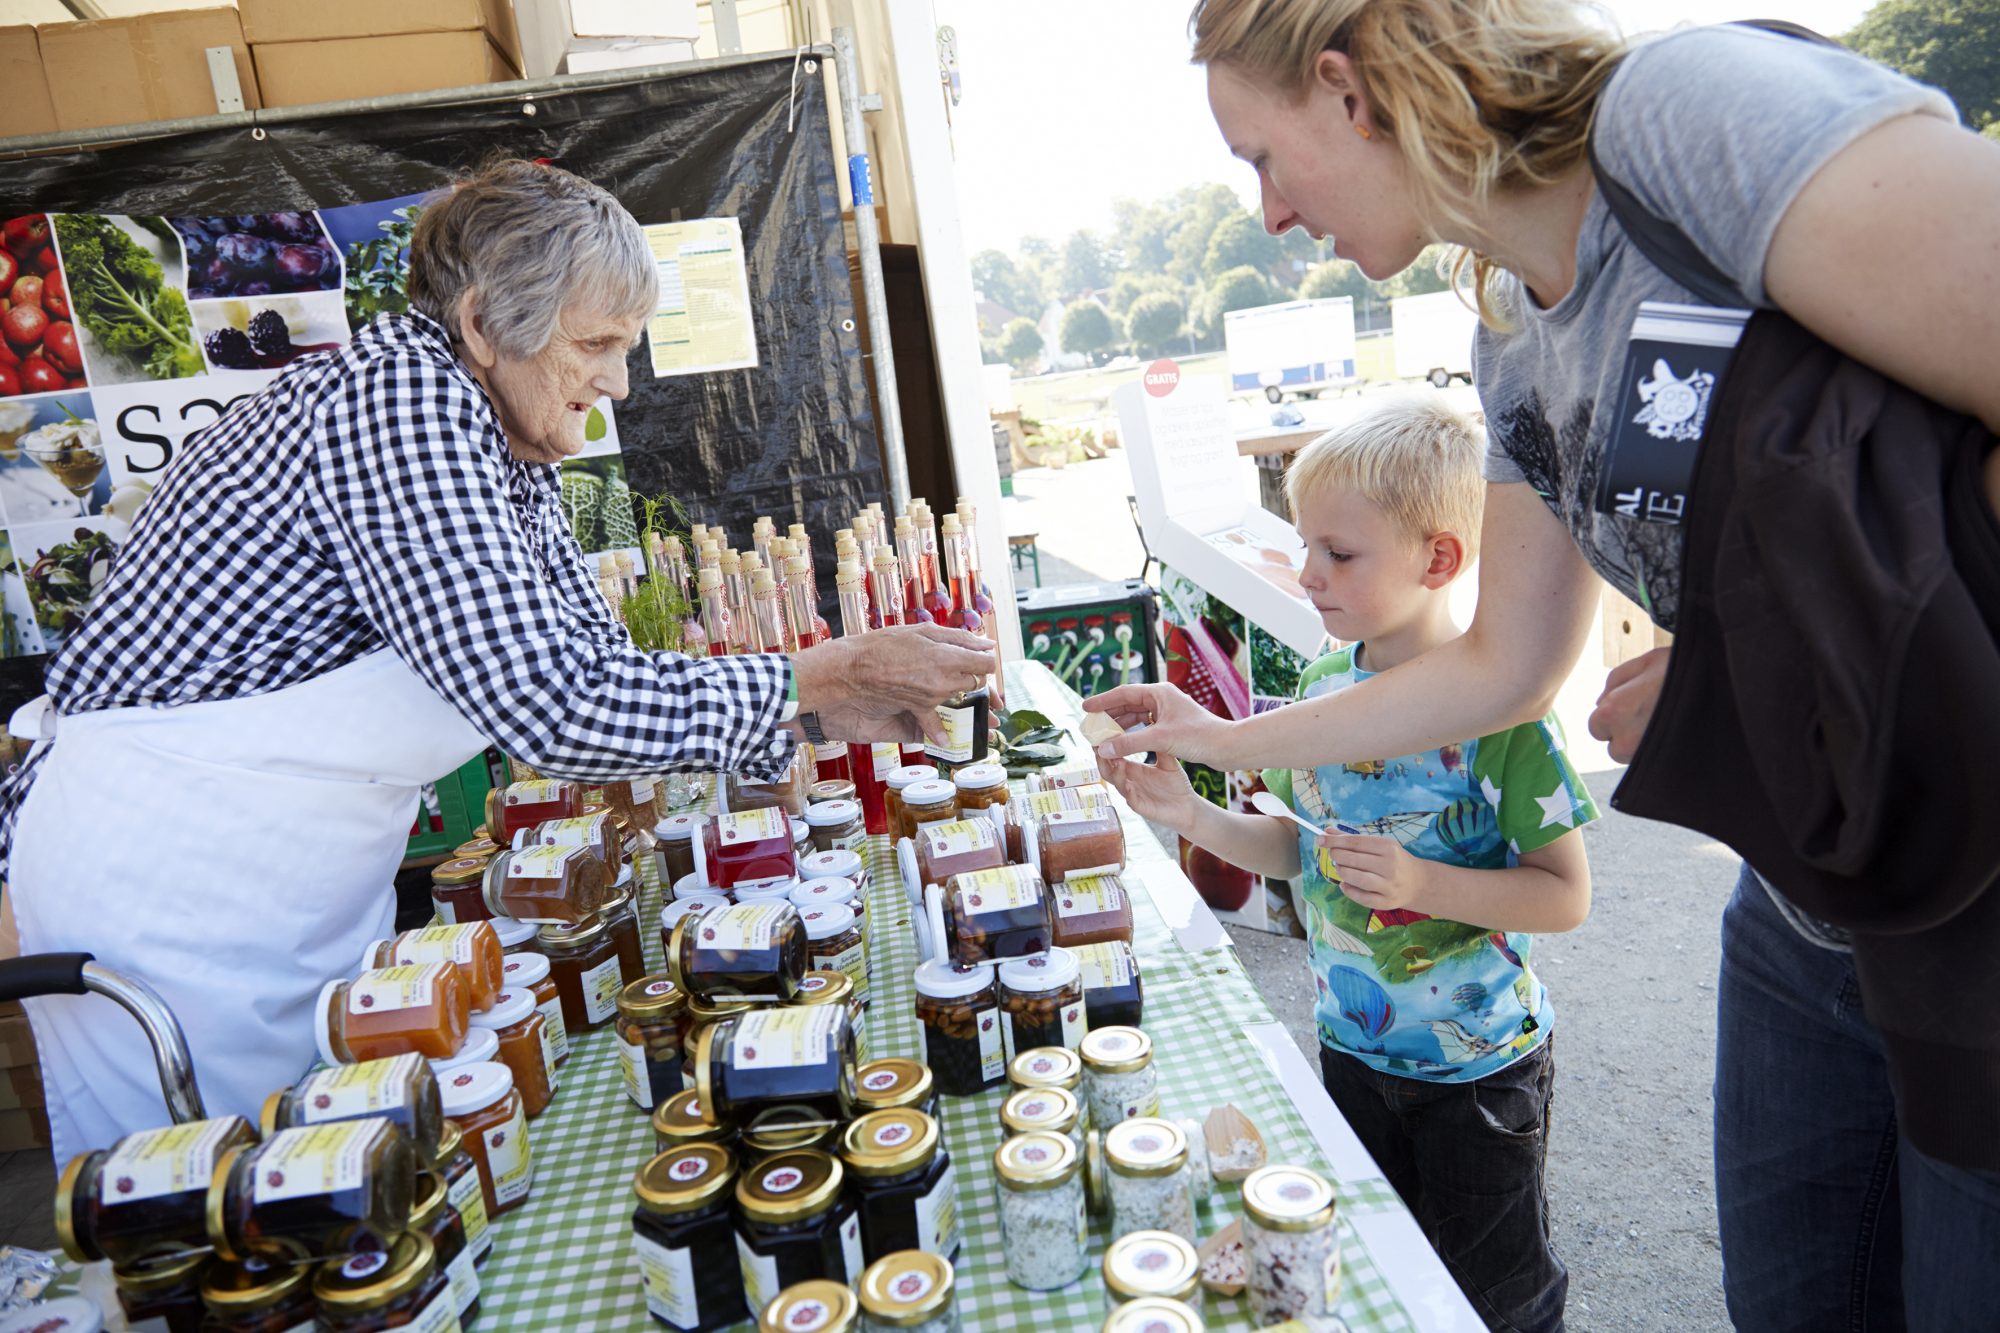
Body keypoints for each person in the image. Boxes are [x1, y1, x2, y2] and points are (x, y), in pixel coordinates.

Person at [1089, 4, 2000, 1326]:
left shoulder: (1684, 116)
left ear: (1349, 92)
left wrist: (1786, 657)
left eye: (1261, 159)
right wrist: (1213, 741)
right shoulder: (1512, 332)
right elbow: (1502, 670)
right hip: (1813, 905)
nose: (1270, 214)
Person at [0, 160, 994, 1164]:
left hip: (281, 884)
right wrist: (820, 674)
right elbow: (552, 704)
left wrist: (824, 715)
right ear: (481, 325)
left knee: (338, 1169)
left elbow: (594, 667)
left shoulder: (497, 441)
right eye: (597, 345)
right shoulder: (396, 401)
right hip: (165, 893)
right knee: (207, 1195)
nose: (616, 382)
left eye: (628, 347)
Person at [1107, 398, 1595, 1331]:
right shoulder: (1321, 692)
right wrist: (1193, 813)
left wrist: (1425, 885)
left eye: (1340, 553)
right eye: (1306, 546)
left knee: (1498, 1291)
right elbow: (1302, 851)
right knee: (1384, 1266)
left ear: (1439, 559)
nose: (1308, 573)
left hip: (1479, 1071)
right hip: (1351, 1045)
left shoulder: (1503, 715)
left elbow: (1565, 895)